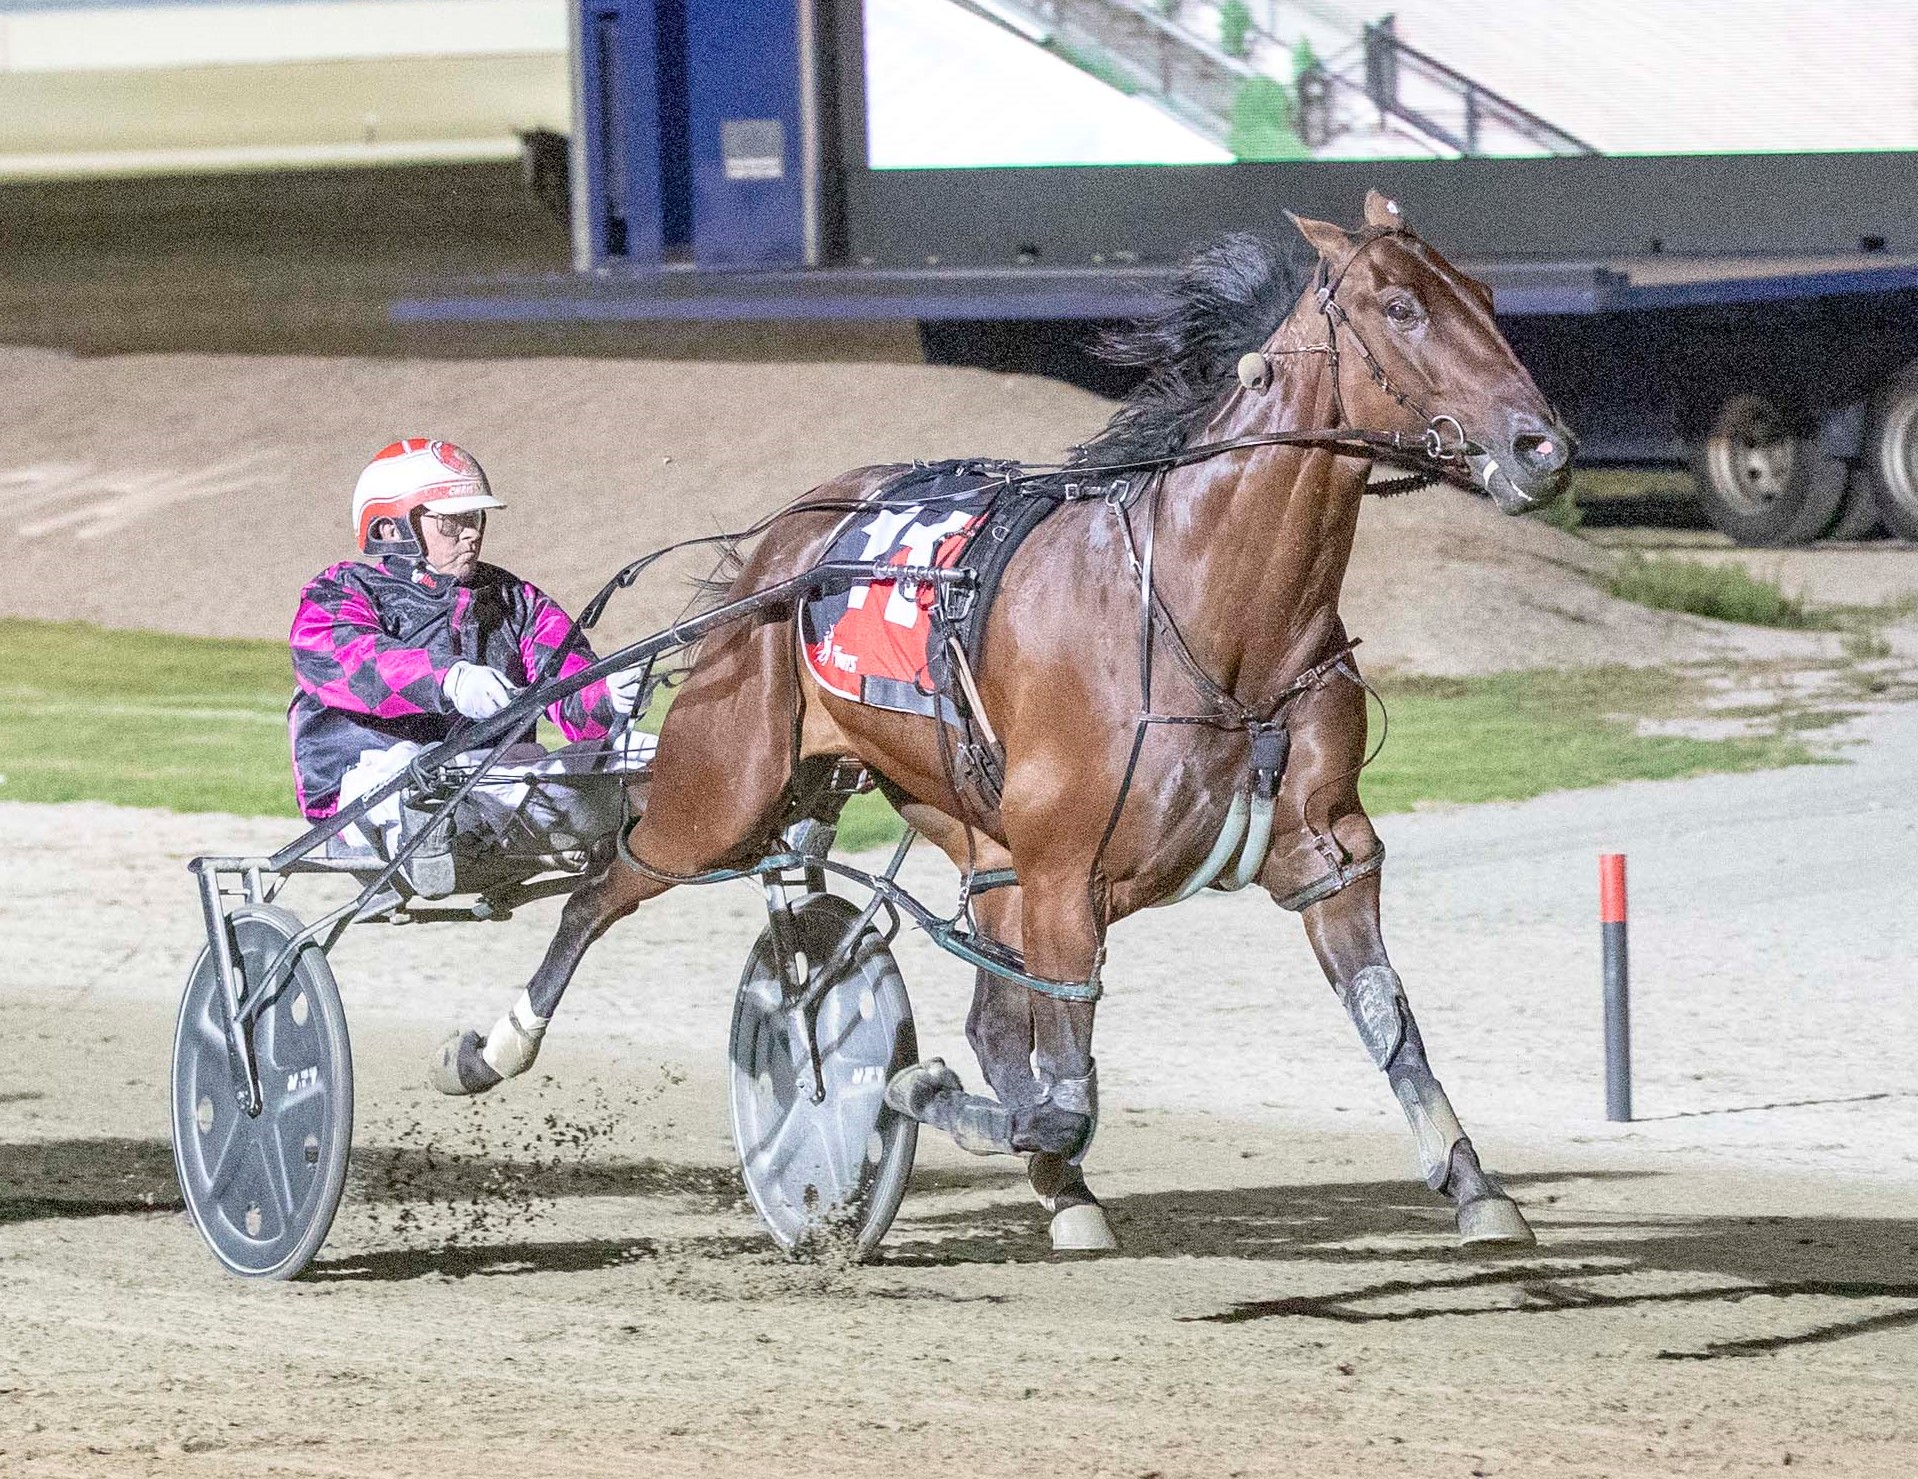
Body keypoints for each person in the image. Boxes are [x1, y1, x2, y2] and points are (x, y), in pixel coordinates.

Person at [288, 438, 651, 898]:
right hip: (368, 791)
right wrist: (450, 679)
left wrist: (605, 695)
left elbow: (568, 683)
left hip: (490, 780)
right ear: (390, 528)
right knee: (410, 770)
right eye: (451, 522)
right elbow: (353, 660)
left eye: (475, 518)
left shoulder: (516, 600)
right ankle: (436, 831)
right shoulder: (341, 590)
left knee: (637, 753)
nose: (472, 534)